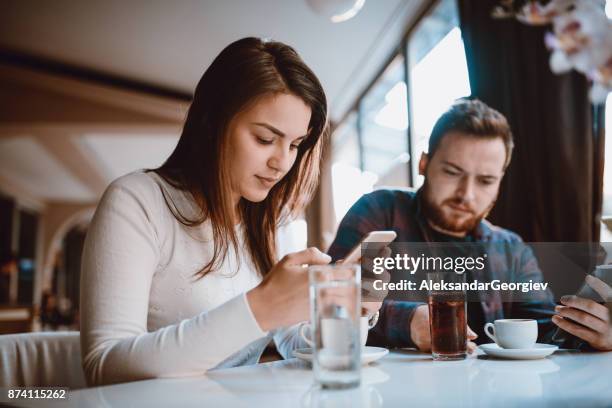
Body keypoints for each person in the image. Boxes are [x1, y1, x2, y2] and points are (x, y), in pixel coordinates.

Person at [80, 37, 378, 386]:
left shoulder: (272, 222)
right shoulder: (137, 202)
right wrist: (259, 307)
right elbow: (103, 367)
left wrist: (348, 308)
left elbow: (296, 343)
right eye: (266, 139)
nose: (281, 162)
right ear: (213, 122)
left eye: (295, 145)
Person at [328, 98, 612, 353]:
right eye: (452, 172)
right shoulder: (379, 212)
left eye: (486, 181)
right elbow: (332, 302)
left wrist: (593, 331)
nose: (467, 194)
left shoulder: (511, 248)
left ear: (500, 182)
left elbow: (544, 330)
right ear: (424, 164)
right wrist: (408, 321)